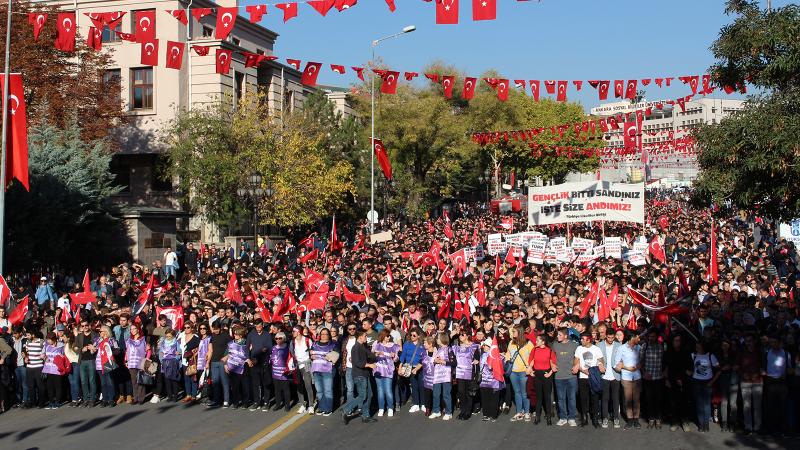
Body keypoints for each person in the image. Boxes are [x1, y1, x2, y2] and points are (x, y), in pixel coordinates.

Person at [341, 331, 377, 424]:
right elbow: (357, 362)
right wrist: (369, 365)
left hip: (365, 374)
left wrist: (377, 354)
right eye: (365, 336)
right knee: (362, 395)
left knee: (369, 395)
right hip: (359, 375)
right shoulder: (356, 348)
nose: (366, 337)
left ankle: (365, 416)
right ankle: (346, 410)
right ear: (360, 337)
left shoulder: (363, 347)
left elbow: (372, 356)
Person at [688, 340, 719, 432]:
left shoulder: (710, 356)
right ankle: (701, 424)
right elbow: (689, 367)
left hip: (707, 382)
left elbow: (719, 370)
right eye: (696, 346)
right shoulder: (693, 355)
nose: (697, 348)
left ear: (704, 347)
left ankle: (706, 424)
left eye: (699, 346)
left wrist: (712, 382)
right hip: (696, 381)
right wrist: (690, 372)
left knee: (706, 404)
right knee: (699, 404)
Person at [574, 331, 603, 428]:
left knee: (594, 398)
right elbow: (576, 361)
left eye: (583, 339)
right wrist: (582, 369)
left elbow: (601, 361)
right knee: (583, 398)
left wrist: (598, 367)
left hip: (593, 377)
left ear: (589, 340)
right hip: (583, 377)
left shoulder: (596, 349)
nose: (581, 340)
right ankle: (584, 418)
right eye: (581, 338)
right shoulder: (579, 348)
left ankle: (595, 419)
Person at [614, 330, 642, 430]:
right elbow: (617, 363)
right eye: (637, 337)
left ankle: (636, 419)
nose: (639, 339)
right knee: (628, 399)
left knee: (636, 399)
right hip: (626, 377)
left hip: (637, 376)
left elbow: (642, 360)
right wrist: (627, 368)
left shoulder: (639, 348)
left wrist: (639, 365)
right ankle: (630, 420)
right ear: (631, 338)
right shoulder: (621, 348)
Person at [527, 334, 557, 425]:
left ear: (543, 342)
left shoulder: (550, 351)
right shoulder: (534, 349)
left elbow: (553, 364)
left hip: (546, 374)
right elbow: (531, 361)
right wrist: (531, 370)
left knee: (547, 397)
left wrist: (550, 373)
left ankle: (548, 417)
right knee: (538, 397)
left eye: (538, 340)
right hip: (537, 374)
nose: (536, 342)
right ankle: (537, 416)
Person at [505, 325, 532, 422]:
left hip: (524, 371)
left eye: (514, 331)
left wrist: (530, 367)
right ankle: (519, 412)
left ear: (519, 332)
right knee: (517, 392)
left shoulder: (528, 343)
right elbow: (508, 353)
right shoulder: (511, 342)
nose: (512, 333)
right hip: (513, 372)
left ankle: (527, 412)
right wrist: (507, 361)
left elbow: (532, 356)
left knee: (524, 393)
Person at [552, 327, 578, 427]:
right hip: (559, 376)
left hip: (571, 376)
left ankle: (571, 418)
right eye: (557, 335)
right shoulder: (555, 345)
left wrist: (577, 365)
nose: (557, 336)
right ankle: (563, 417)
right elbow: (551, 357)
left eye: (560, 335)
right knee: (561, 398)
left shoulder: (574, 345)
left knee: (571, 398)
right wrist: (552, 365)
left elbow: (578, 357)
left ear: (566, 336)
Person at [737, 334, 762, 435]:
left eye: (750, 340)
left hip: (757, 382)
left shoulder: (759, 352)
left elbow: (764, 365)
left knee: (757, 406)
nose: (749, 343)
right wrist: (743, 374)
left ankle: (757, 427)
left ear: (754, 341)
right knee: (746, 405)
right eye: (747, 341)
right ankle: (748, 427)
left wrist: (758, 374)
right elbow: (736, 366)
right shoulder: (741, 352)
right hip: (745, 381)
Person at [452, 329, 479, 420]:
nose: (460, 336)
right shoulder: (457, 347)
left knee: (469, 393)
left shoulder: (474, 346)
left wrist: (477, 361)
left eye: (462, 335)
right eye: (460, 335)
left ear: (467, 336)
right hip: (460, 373)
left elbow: (477, 359)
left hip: (469, 373)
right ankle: (462, 411)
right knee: (461, 392)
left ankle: (467, 412)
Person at [640, 330, 665, 429]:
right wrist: (644, 372)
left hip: (658, 377)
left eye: (653, 336)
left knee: (658, 399)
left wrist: (664, 372)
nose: (651, 338)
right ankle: (651, 419)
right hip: (648, 377)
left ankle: (658, 419)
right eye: (650, 336)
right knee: (649, 399)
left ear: (657, 337)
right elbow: (641, 361)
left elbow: (665, 361)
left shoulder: (661, 346)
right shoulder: (644, 347)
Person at [246, 319, 273, 411]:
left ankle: (266, 402)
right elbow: (246, 348)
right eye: (257, 326)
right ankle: (257, 402)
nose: (258, 328)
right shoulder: (251, 334)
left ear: (263, 325)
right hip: (254, 362)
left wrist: (265, 351)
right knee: (255, 384)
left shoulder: (267, 334)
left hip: (264, 362)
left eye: (260, 326)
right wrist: (248, 359)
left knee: (265, 383)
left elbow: (270, 347)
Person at [372, 328, 400, 417]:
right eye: (387, 336)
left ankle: (390, 408)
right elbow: (372, 356)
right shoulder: (376, 344)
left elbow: (396, 359)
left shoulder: (393, 346)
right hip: (378, 370)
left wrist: (394, 356)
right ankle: (381, 408)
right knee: (380, 390)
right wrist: (375, 354)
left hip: (388, 370)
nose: (389, 337)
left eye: (389, 336)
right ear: (383, 336)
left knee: (388, 390)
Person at [309, 327, 337, 416]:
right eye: (322, 334)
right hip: (316, 369)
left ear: (329, 335)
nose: (324, 336)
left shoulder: (333, 344)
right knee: (319, 390)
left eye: (326, 334)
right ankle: (321, 408)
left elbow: (336, 356)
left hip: (327, 370)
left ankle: (328, 409)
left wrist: (330, 357)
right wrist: (311, 357)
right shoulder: (314, 344)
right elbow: (310, 354)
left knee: (327, 390)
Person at [597, 326, 621, 428]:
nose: (610, 340)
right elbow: (597, 358)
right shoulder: (599, 345)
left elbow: (621, 359)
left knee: (615, 398)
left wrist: (620, 365)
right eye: (609, 337)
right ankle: (605, 418)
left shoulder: (618, 345)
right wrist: (599, 364)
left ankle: (616, 418)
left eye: (612, 338)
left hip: (615, 375)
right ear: (605, 336)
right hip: (604, 376)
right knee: (605, 398)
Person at [290, 325, 315, 415]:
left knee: (308, 385)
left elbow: (312, 352)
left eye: (294, 331)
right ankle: (302, 405)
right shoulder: (292, 342)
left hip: (307, 365)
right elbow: (292, 353)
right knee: (299, 385)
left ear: (299, 332)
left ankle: (311, 405)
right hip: (297, 365)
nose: (292, 333)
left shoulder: (308, 340)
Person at [430, 332, 454, 420]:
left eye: (438, 338)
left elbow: (454, 362)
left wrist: (444, 362)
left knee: (446, 394)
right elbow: (433, 361)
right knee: (436, 394)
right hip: (437, 375)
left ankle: (448, 412)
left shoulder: (449, 350)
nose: (436, 339)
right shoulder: (437, 349)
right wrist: (435, 361)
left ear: (443, 339)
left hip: (446, 375)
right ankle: (436, 411)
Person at [400, 327, 425, 414]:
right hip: (410, 368)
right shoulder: (407, 343)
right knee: (414, 386)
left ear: (418, 336)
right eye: (410, 335)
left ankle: (423, 404)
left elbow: (424, 357)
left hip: (420, 368)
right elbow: (403, 356)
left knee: (422, 386)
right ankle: (416, 404)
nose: (412, 336)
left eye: (414, 335)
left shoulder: (422, 344)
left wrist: (419, 366)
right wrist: (400, 367)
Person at [224, 326, 250, 409]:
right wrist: (225, 365)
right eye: (234, 333)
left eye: (236, 334)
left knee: (244, 386)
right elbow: (226, 354)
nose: (234, 335)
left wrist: (248, 359)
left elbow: (250, 354)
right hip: (233, 367)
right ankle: (236, 403)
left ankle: (245, 402)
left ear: (241, 335)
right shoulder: (231, 343)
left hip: (244, 367)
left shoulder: (246, 343)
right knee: (235, 386)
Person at [207, 321, 231, 408]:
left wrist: (227, 357)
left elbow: (232, 348)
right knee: (215, 383)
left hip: (222, 362)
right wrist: (207, 362)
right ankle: (217, 400)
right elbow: (210, 350)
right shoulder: (212, 336)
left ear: (220, 328)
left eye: (216, 329)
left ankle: (226, 400)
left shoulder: (226, 336)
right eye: (214, 329)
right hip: (214, 362)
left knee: (224, 382)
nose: (215, 331)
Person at [479, 338, 504, 422]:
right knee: (485, 397)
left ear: (490, 347)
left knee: (494, 398)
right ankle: (486, 414)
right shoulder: (483, 355)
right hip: (484, 380)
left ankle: (493, 415)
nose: (483, 347)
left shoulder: (498, 356)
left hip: (494, 381)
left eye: (485, 345)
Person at [75, 320, 98, 407]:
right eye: (83, 326)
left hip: (92, 360)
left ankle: (92, 400)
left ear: (89, 325)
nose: (85, 327)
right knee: (83, 381)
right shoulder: (79, 336)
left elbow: (99, 345)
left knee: (92, 381)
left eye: (86, 325)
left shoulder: (95, 334)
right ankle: (85, 399)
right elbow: (75, 347)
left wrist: (94, 348)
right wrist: (81, 349)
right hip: (82, 360)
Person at [95, 326, 118, 407]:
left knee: (109, 381)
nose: (99, 333)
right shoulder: (98, 340)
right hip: (99, 364)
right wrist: (92, 348)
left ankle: (111, 399)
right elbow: (94, 349)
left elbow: (117, 350)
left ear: (105, 332)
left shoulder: (111, 340)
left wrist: (110, 350)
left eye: (101, 331)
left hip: (107, 363)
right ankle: (105, 399)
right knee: (103, 383)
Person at [125, 324, 148, 404]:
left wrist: (147, 359)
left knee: (141, 380)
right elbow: (127, 351)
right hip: (131, 362)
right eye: (131, 329)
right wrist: (126, 360)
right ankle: (135, 398)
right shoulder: (129, 340)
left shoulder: (143, 339)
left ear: (138, 329)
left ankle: (141, 398)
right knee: (134, 381)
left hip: (140, 362)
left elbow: (148, 350)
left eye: (134, 328)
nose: (132, 330)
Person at [41, 332, 65, 409]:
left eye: (49, 340)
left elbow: (64, 355)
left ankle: (57, 402)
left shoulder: (61, 345)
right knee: (49, 386)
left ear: (54, 339)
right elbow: (42, 354)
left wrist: (61, 358)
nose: (48, 341)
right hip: (48, 369)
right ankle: (51, 402)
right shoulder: (46, 345)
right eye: (47, 339)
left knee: (57, 386)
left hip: (57, 369)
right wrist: (45, 358)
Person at [157, 327, 180, 403]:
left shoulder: (176, 342)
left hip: (173, 362)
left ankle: (175, 396)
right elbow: (160, 352)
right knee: (167, 380)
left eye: (170, 336)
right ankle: (169, 395)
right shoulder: (163, 343)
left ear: (173, 336)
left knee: (174, 379)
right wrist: (161, 360)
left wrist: (176, 358)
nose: (168, 338)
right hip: (165, 362)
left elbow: (179, 352)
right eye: (167, 336)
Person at [178, 322, 200, 403]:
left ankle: (194, 396)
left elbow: (199, 348)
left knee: (193, 378)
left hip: (192, 360)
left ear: (192, 328)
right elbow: (180, 347)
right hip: (184, 361)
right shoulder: (182, 336)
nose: (186, 329)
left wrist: (194, 354)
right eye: (185, 327)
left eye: (188, 327)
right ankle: (188, 395)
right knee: (186, 378)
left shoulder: (195, 337)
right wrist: (179, 352)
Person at [24, 330, 46, 408]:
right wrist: (26, 358)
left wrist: (43, 356)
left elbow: (45, 351)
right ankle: (33, 402)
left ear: (33, 335)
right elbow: (26, 352)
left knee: (40, 385)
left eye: (28, 335)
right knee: (31, 386)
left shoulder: (41, 342)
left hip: (39, 366)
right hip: (29, 367)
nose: (27, 337)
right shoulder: (27, 342)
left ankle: (41, 402)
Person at [270, 332, 292, 412]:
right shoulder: (273, 348)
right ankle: (278, 404)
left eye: (280, 338)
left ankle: (287, 405)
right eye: (276, 338)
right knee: (277, 389)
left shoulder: (288, 348)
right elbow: (271, 358)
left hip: (284, 372)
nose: (278, 340)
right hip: (275, 371)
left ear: (284, 339)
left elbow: (291, 359)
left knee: (286, 389)